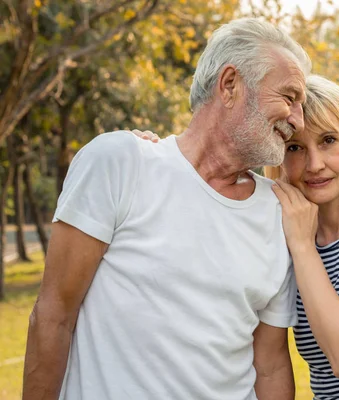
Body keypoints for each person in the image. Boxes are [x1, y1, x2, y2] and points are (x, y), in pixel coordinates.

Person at [22, 18, 311, 400]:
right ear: (229, 85)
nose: (298, 120)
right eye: (289, 98)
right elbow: (53, 316)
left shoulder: (280, 213)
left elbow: (271, 365)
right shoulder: (120, 162)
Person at [137, 75, 339, 399]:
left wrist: (302, 247)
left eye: (328, 140)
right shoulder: (284, 231)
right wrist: (156, 162)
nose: (314, 164)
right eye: (295, 147)